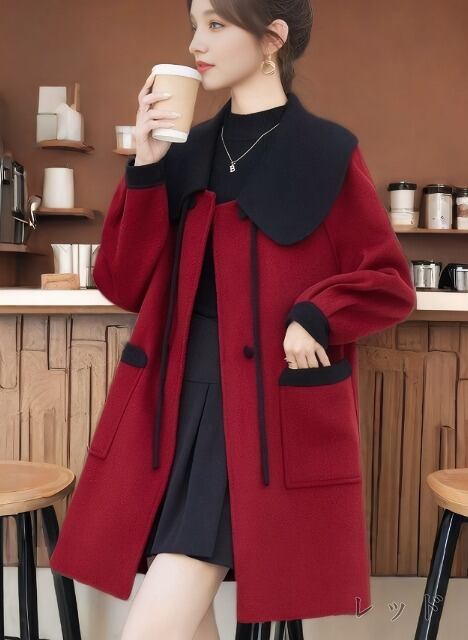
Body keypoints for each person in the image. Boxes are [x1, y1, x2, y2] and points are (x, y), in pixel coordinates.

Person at [120, 1, 318, 637]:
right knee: (183, 600)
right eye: (193, 26)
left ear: (272, 38)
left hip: (252, 409)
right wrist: (146, 164)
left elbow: (385, 277)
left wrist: (316, 313)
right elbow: (123, 282)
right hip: (172, 402)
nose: (195, 44)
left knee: (157, 616)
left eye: (215, 24)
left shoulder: (321, 152)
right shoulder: (185, 151)